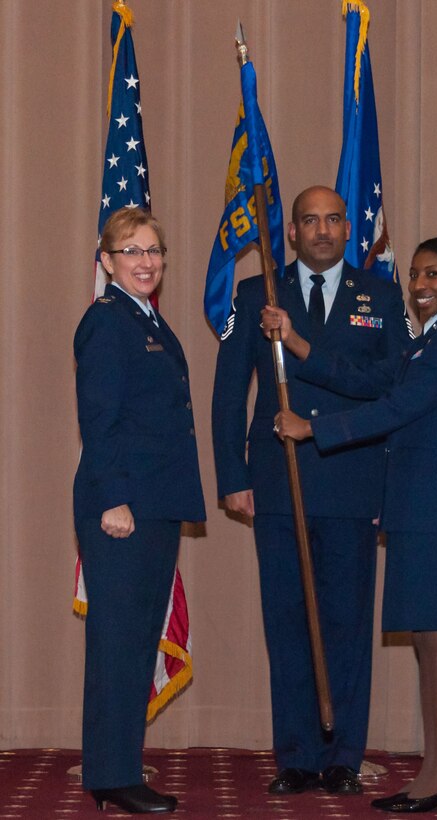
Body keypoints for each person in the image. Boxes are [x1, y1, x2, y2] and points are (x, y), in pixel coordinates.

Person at [271, 236, 437, 813]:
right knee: (427, 635)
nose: (419, 286)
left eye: (434, 275)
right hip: (420, 504)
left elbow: (396, 409)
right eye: (415, 275)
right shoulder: (433, 340)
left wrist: (314, 429)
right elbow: (371, 381)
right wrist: (298, 343)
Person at [212, 186, 410, 795]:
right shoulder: (256, 295)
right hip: (278, 483)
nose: (322, 229)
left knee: (347, 623)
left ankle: (343, 756)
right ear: (291, 232)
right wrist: (232, 477)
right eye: (309, 221)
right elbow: (228, 394)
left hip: (352, 481)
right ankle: (296, 754)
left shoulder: (379, 295)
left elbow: (390, 384)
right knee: (287, 620)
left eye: (332, 219)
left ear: (348, 228)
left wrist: (300, 342)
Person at [74, 207, 205, 814]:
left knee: (134, 641)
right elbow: (99, 421)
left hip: (155, 503)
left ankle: (118, 767)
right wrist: (113, 498)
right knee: (119, 642)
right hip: (123, 506)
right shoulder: (108, 323)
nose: (146, 262)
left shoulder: (148, 320)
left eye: (154, 251)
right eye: (131, 251)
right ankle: (111, 774)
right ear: (106, 261)